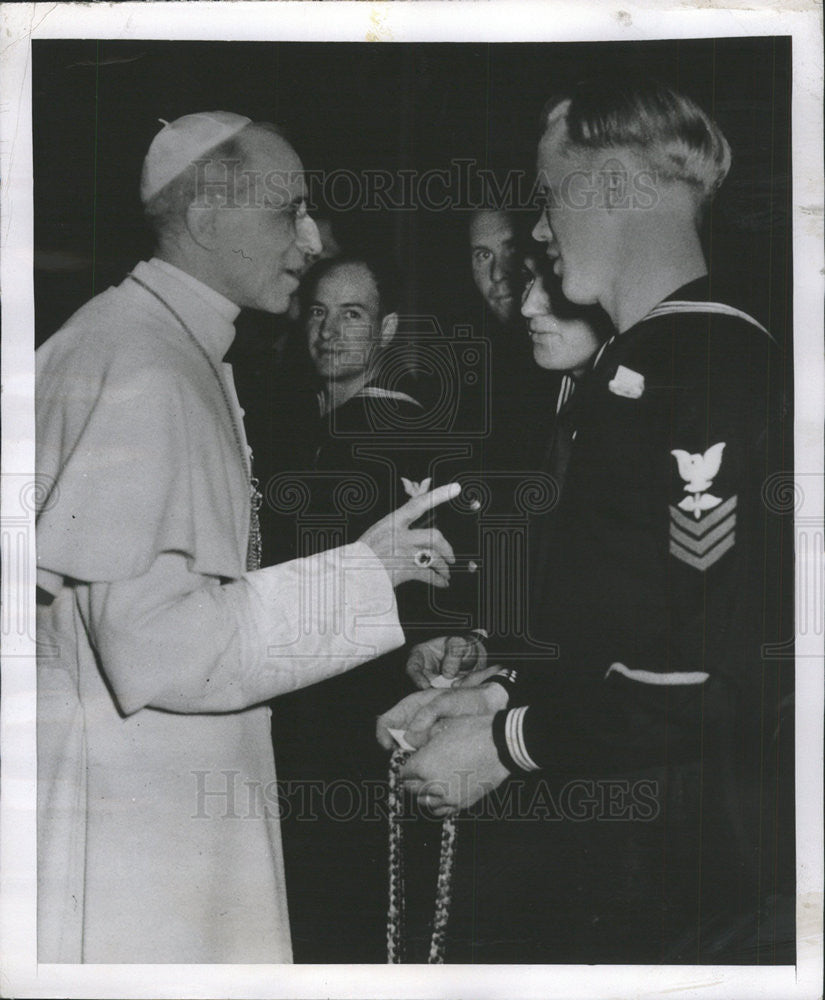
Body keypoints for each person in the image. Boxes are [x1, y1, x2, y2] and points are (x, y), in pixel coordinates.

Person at [378, 78, 793, 963]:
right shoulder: (635, 366)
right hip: (623, 844)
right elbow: (611, 627)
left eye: (546, 193)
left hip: (686, 864)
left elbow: (705, 676)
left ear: (609, 185)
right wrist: (489, 694)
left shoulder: (708, 368)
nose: (536, 228)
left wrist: (501, 742)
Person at [35, 111, 460, 964]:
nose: (308, 240)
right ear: (203, 220)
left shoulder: (134, 338)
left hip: (141, 787)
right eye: (285, 213)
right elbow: (158, 646)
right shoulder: (147, 368)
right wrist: (361, 576)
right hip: (140, 813)